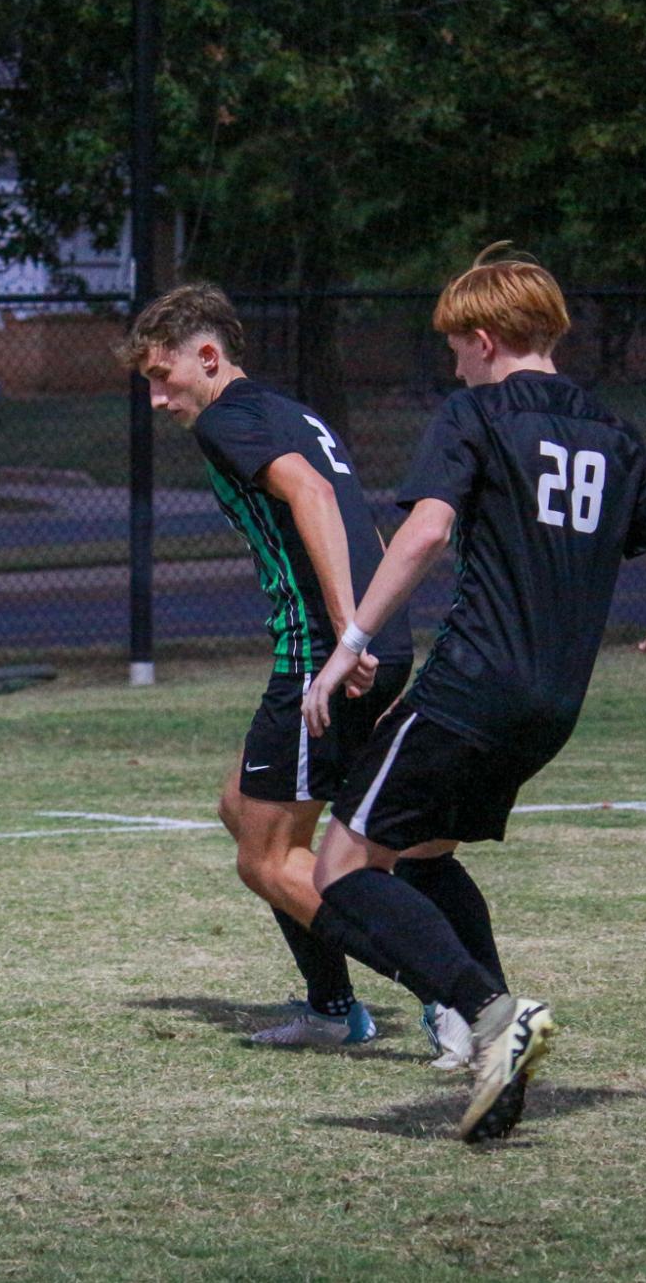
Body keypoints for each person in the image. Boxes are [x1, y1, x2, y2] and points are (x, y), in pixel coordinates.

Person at [302, 244, 646, 1140]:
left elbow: (424, 533)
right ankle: (499, 1078)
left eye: (455, 345)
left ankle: (490, 1013)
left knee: (338, 872)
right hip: (552, 706)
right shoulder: (616, 433)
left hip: (470, 687)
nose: (451, 361)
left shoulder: (474, 412)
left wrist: (351, 643)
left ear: (485, 339)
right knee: (422, 857)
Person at [120, 283, 414, 1047]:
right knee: (241, 808)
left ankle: (452, 990)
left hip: (320, 653)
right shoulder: (291, 412)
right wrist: (379, 634)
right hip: (365, 643)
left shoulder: (226, 420)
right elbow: (362, 523)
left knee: (268, 858)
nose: (156, 398)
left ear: (208, 357)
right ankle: (329, 1009)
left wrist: (348, 636)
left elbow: (314, 497)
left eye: (162, 376)